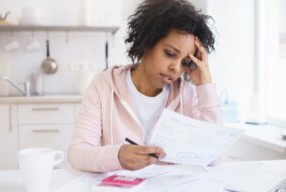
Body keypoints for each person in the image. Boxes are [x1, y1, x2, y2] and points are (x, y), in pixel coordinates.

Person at [68, 0, 221, 173]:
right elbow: (77, 154)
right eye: (170, 53)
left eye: (186, 62)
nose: (176, 68)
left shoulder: (187, 94)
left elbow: (212, 157)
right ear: (147, 42)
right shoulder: (104, 86)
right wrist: (117, 156)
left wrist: (205, 84)